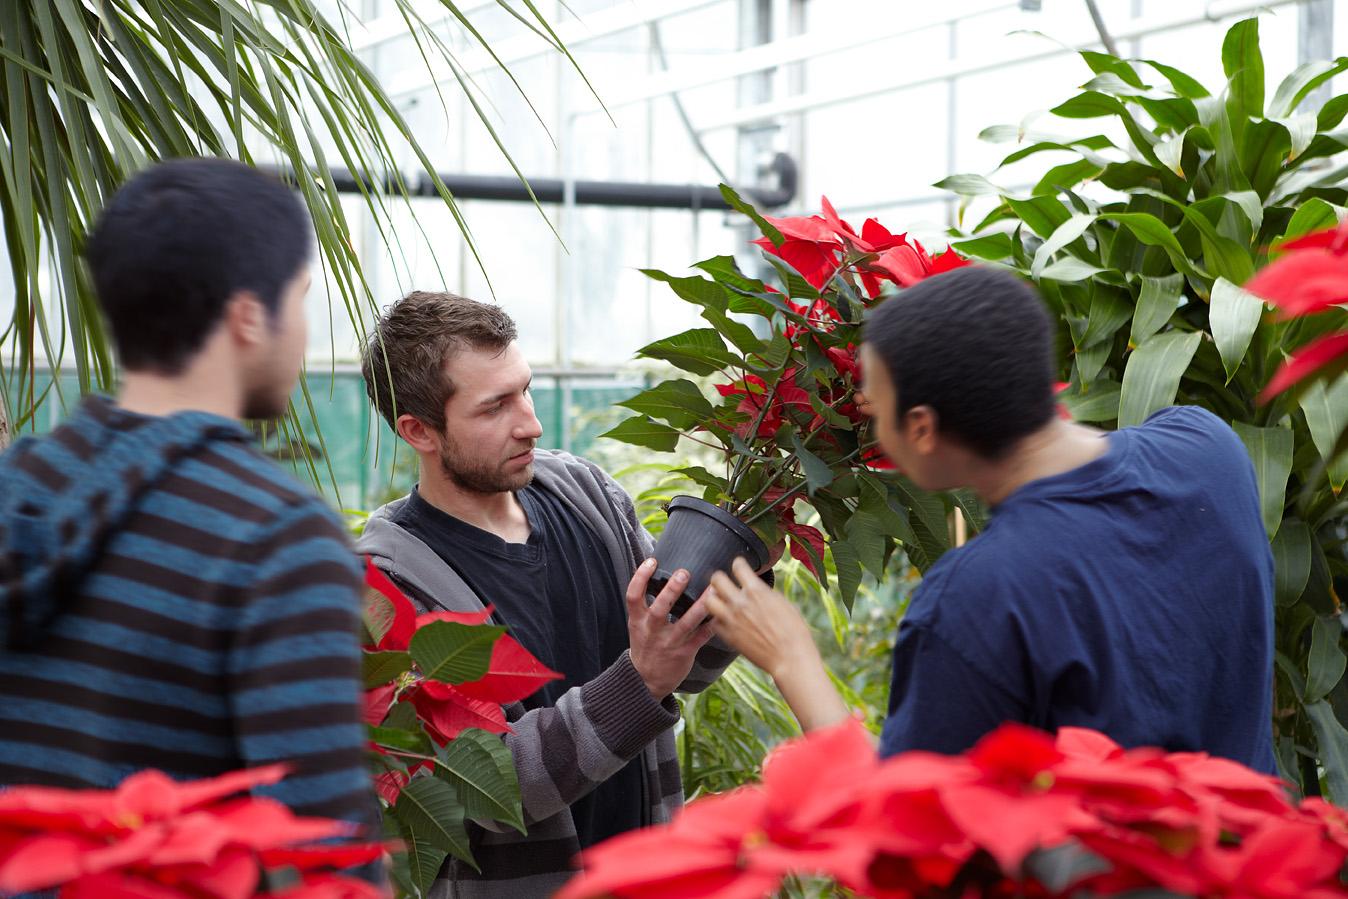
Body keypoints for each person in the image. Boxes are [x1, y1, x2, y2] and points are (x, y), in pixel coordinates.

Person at [705, 265, 1276, 773]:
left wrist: (790, 658)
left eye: (877, 410)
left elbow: (914, 841)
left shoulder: (977, 597)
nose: (870, 420)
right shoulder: (1207, 448)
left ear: (923, 429)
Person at [0, 159, 379, 832]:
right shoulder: (277, 536)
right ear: (247, 318)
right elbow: (321, 856)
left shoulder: (18, 484)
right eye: (300, 297)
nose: (305, 331)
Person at [357, 291, 761, 897]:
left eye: (526, 389)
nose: (530, 423)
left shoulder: (589, 497)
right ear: (419, 431)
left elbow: (686, 669)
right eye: (495, 407)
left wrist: (740, 564)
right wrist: (640, 680)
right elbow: (489, 791)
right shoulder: (386, 587)